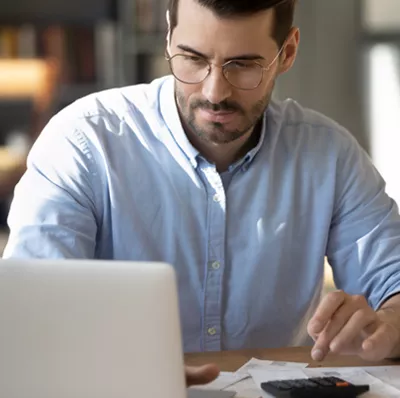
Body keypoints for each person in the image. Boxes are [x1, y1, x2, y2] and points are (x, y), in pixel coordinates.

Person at [4, 0, 400, 380]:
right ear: (168, 38)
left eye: (243, 65)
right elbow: (31, 312)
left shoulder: (330, 155)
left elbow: (393, 282)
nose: (214, 92)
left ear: (288, 52)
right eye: (193, 59)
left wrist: (389, 324)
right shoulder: (83, 143)